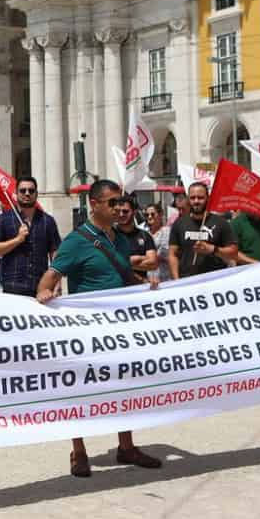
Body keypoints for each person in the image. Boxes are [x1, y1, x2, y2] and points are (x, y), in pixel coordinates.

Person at [37, 180, 162, 474]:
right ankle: (78, 451)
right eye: (112, 202)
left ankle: (126, 446)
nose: (119, 207)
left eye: (121, 202)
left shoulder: (120, 239)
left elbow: (122, 275)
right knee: (81, 389)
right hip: (86, 332)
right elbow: (48, 279)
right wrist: (46, 295)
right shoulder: (76, 241)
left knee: (124, 385)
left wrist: (147, 285)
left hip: (118, 330)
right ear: (94, 205)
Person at [0, 176, 60, 296]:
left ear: (36, 194)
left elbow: (55, 252)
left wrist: (57, 282)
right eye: (23, 190)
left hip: (41, 287)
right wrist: (17, 240)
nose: (27, 194)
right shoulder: (4, 219)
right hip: (13, 286)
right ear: (16, 193)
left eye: (31, 191)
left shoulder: (47, 221)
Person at [168, 183, 237, 279]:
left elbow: (233, 253)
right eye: (192, 198)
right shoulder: (179, 224)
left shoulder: (221, 223)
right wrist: (176, 280)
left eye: (200, 198)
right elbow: (172, 254)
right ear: (188, 199)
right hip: (187, 282)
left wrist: (212, 249)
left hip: (215, 281)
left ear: (208, 198)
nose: (196, 201)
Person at [114, 195, 160, 289]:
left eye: (125, 211)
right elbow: (109, 264)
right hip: (116, 288)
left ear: (134, 212)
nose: (121, 214)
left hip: (139, 289)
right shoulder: (110, 235)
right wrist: (139, 259)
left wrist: (123, 262)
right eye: (118, 211)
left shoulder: (145, 236)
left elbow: (153, 263)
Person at [145, 204, 172, 282]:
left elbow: (163, 253)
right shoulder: (144, 233)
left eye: (152, 214)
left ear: (160, 215)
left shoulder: (167, 231)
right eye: (147, 215)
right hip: (148, 279)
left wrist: (144, 259)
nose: (149, 217)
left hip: (165, 278)